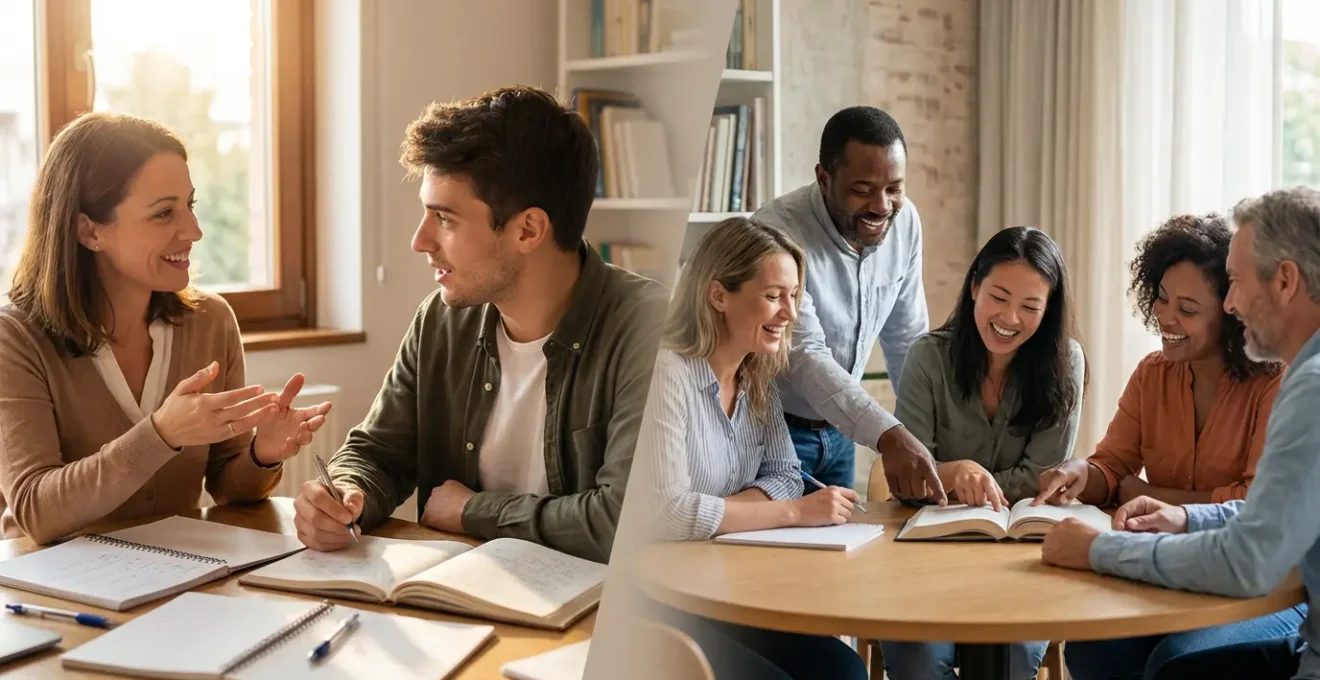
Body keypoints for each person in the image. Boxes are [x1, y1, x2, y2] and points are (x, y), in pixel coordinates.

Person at [290, 86, 668, 563]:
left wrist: (474, 511)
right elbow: (378, 452)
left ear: (528, 230)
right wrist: (343, 494)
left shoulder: (647, 328)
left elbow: (626, 522)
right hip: (458, 598)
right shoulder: (442, 320)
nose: (420, 241)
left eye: (444, 218)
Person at [0, 112, 331, 544]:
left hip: (173, 576)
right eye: (163, 214)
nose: (193, 231)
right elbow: (35, 510)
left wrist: (261, 455)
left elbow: (228, 485)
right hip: (48, 593)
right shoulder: (16, 339)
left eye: (190, 206)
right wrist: (161, 435)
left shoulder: (211, 322)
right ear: (89, 231)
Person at [1041, 186, 1320, 680]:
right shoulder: (1160, 373)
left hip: (1297, 629)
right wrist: (1186, 517)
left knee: (1179, 667)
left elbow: (1251, 556)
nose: (1233, 302)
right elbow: (1262, 514)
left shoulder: (1305, 386)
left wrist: (1100, 548)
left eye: (1236, 282)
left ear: (1285, 281)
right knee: (1099, 650)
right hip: (1301, 634)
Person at [638, 216, 867, 680]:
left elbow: (785, 475)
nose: (790, 313)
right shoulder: (666, 375)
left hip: (725, 585)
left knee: (843, 670)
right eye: (773, 296)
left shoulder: (758, 376)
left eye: (794, 296)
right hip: (656, 598)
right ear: (719, 294)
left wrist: (710, 516)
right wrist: (793, 513)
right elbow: (666, 512)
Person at [877, 226, 1085, 680]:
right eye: (999, 296)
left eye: (1030, 306)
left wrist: (954, 479)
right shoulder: (927, 358)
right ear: (974, 287)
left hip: (1022, 563)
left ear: (1048, 311)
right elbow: (909, 474)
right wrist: (954, 473)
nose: (1009, 317)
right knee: (919, 662)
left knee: (1006, 661)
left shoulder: (1065, 363)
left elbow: (1041, 477)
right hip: (926, 560)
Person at [752, 106, 945, 503]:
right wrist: (888, 434)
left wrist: (925, 438)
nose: (882, 206)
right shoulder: (775, 232)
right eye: (862, 190)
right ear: (824, 178)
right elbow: (803, 354)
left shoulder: (905, 222)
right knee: (776, 558)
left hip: (844, 434)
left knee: (842, 554)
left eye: (894, 188)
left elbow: (906, 339)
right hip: (773, 433)